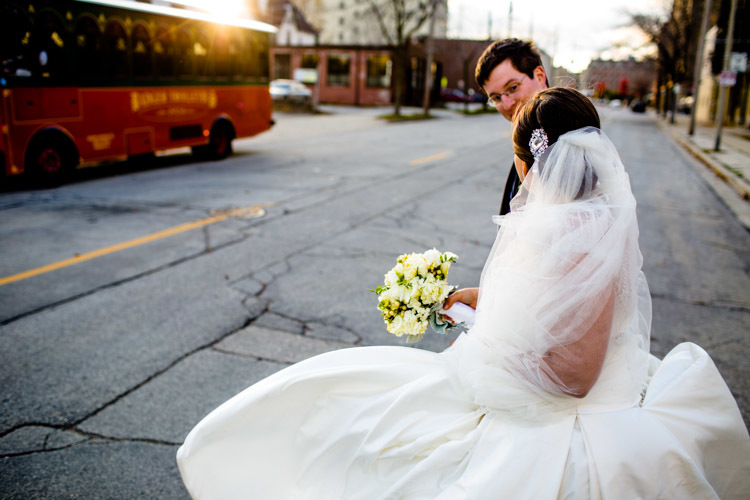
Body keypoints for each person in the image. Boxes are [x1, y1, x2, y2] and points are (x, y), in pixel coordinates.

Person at [177, 88, 750, 499]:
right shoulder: (581, 222)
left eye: (520, 159)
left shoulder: (577, 233)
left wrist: (484, 344)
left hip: (563, 426)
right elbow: (555, 309)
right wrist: (481, 301)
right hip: (542, 395)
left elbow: (574, 373)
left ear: (535, 161)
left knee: (367, 427)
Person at [476, 38, 549, 216]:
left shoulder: (564, 133)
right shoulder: (529, 134)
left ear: (539, 76)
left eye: (513, 87)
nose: (507, 104)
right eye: (496, 98)